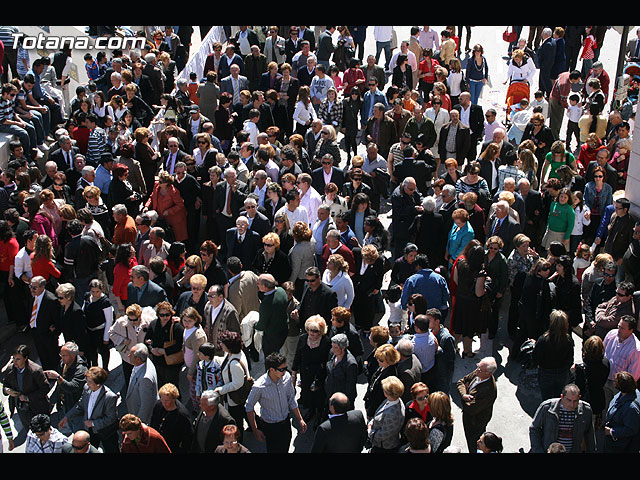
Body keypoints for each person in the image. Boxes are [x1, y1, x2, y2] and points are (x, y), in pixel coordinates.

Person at [245, 352, 307, 453]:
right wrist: (255, 430)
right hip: (271, 427)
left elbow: (291, 399)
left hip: (285, 423)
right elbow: (249, 407)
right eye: (281, 369)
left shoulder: (286, 377)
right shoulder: (259, 386)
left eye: (285, 368)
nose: (284, 372)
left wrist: (300, 419)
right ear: (272, 370)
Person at [59, 366, 119, 453]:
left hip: (106, 432)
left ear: (98, 384)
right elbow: (81, 405)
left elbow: (111, 418)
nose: (87, 383)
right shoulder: (87, 388)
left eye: (90, 382)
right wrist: (67, 417)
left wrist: (93, 423)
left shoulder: (109, 397)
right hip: (90, 431)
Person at [529, 382, 596, 453]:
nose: (572, 404)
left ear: (579, 397)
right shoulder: (547, 408)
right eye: (569, 400)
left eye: (575, 401)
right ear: (562, 397)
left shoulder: (585, 410)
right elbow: (534, 428)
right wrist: (538, 450)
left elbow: (589, 434)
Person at [292, 315, 332, 424]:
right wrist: (294, 372)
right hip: (305, 373)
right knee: (306, 392)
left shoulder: (326, 342)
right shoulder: (303, 338)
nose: (311, 333)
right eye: (310, 330)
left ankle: (319, 413)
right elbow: (298, 355)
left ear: (320, 331)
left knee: (319, 395)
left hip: (319, 374)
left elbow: (327, 360)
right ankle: (311, 410)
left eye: (315, 331)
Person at [2, 344, 50, 432]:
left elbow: (45, 388)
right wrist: (7, 390)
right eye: (14, 358)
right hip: (22, 409)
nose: (15, 362)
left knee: (42, 431)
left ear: (25, 358)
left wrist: (28, 397)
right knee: (29, 431)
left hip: (37, 407)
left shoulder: (35, 371)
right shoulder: (10, 370)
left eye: (18, 359)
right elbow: (6, 384)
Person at [457, 356, 498, 453]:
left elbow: (471, 408)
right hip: (470, 418)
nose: (476, 370)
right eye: (478, 366)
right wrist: (464, 395)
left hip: (475, 423)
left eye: (480, 369)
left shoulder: (489, 390)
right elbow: (461, 382)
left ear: (488, 374)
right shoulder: (478, 374)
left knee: (475, 444)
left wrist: (464, 398)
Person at [109, 303, 152, 389]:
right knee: (129, 377)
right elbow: (111, 333)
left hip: (143, 357)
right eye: (130, 319)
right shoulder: (121, 322)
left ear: (140, 316)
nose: (132, 322)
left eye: (135, 320)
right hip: (128, 357)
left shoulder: (148, 322)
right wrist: (123, 340)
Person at [144, 301, 184, 390]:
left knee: (172, 386)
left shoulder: (176, 326)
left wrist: (165, 351)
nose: (165, 317)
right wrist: (151, 349)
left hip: (172, 363)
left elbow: (179, 344)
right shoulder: (154, 324)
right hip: (157, 361)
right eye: (162, 315)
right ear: (158, 314)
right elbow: (147, 339)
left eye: (167, 314)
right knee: (160, 385)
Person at [367, 375, 406, 453]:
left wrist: (370, 432)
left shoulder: (393, 413)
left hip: (385, 447)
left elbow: (384, 434)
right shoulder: (391, 400)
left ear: (387, 393)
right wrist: (371, 422)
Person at [604, 371, 640, 453]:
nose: (614, 381)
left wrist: (611, 432)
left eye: (616, 381)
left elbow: (631, 429)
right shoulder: (622, 394)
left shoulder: (631, 408)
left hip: (622, 446)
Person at [125, 343, 159, 425]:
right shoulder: (144, 362)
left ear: (138, 360)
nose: (128, 355)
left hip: (140, 418)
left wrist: (138, 424)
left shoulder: (145, 379)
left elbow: (146, 405)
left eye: (131, 355)